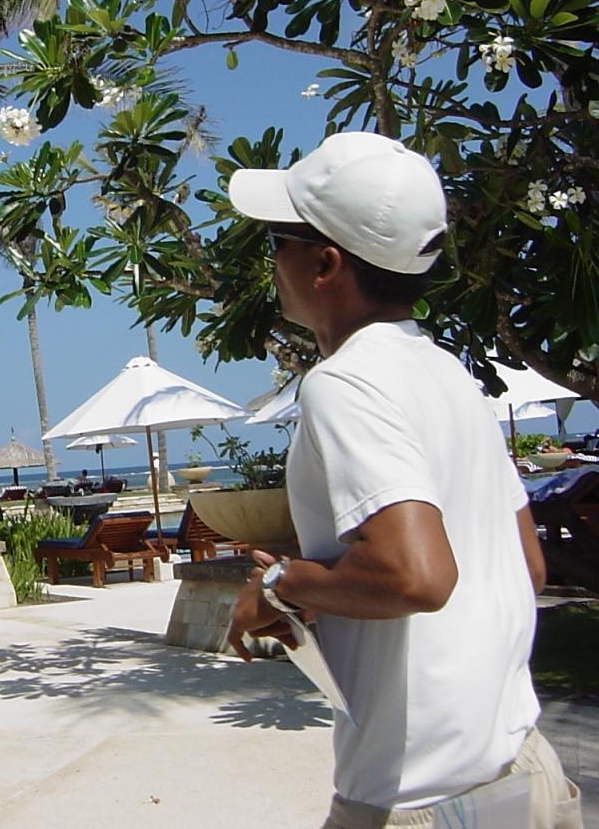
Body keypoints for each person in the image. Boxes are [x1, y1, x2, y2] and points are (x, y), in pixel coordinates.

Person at [223, 132, 580, 827]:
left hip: (420, 794)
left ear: (324, 263)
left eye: (277, 240)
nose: (272, 260)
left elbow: (416, 577)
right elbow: (526, 567)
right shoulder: (449, 373)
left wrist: (281, 585)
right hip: (520, 766)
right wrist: (328, 583)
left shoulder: (344, 383)